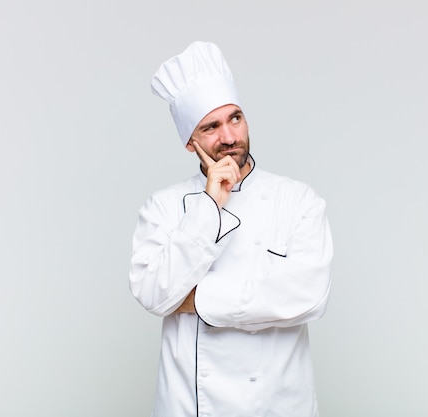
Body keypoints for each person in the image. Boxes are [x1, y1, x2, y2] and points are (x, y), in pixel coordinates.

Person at [129, 41, 333, 417]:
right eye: (211, 127)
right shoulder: (164, 206)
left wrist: (196, 300)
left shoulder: (298, 200)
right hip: (189, 407)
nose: (228, 137)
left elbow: (309, 296)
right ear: (190, 143)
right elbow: (151, 293)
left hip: (277, 405)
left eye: (235, 119)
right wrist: (209, 207)